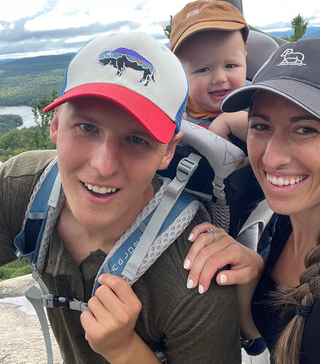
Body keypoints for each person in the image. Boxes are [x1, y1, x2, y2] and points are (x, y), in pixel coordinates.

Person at [0, 31, 250, 364]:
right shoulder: (24, 186)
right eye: (87, 128)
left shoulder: (196, 271)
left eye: (136, 139)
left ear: (168, 152)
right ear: (56, 125)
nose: (103, 166)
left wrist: (125, 352)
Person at [183, 38, 320, 363]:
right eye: (261, 126)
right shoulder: (284, 224)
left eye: (305, 129)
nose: (272, 157)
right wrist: (251, 278)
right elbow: (270, 340)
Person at [170, 0, 250, 142]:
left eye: (230, 66)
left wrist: (255, 128)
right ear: (180, 72)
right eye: (203, 69)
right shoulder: (173, 113)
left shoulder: (261, 102)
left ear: (244, 59)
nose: (220, 78)